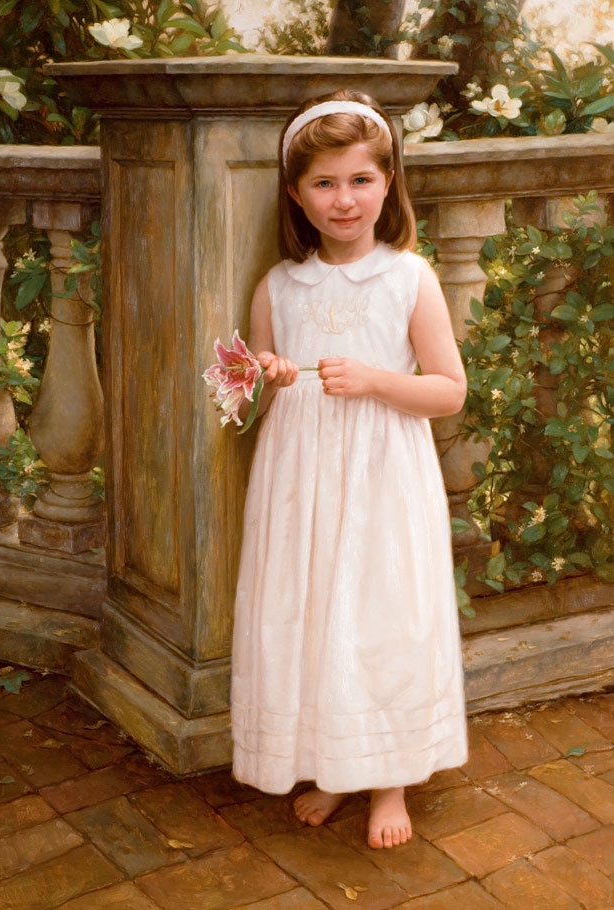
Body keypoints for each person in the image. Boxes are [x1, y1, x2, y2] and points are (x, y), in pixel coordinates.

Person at [231, 88, 469, 850]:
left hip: (381, 481)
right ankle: (332, 765)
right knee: (310, 617)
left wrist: (375, 382)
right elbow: (260, 401)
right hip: (300, 483)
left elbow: (448, 390)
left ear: (387, 184)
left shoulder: (409, 278)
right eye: (323, 184)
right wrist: (264, 376)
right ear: (296, 196)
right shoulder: (279, 285)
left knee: (377, 616)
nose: (343, 200)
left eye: (360, 180)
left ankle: (389, 778)